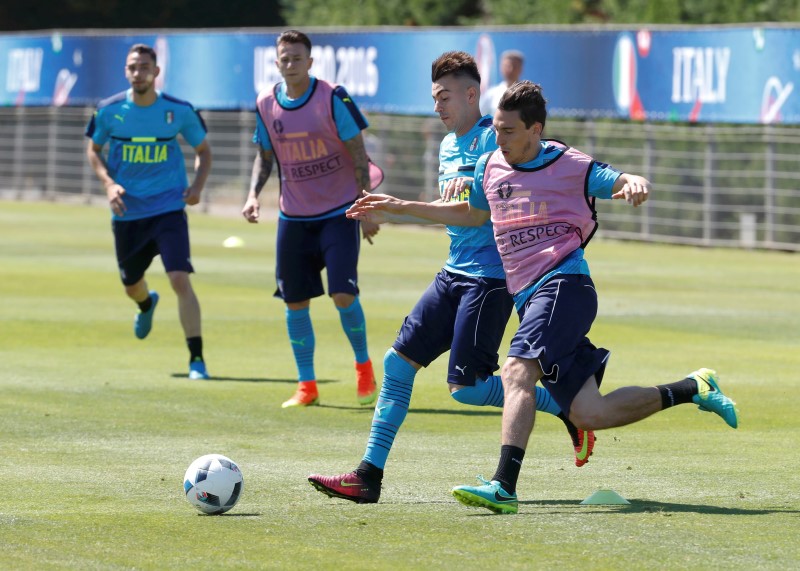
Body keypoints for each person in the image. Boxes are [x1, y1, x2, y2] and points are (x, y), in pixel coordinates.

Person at [347, 81, 739, 514]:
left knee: (517, 371)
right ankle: (694, 387)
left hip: (564, 286)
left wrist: (635, 183)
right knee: (592, 413)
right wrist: (399, 206)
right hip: (529, 297)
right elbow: (473, 213)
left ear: (536, 130)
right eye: (496, 129)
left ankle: (503, 485)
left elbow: (618, 178)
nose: (499, 140)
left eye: (509, 131)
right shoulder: (490, 165)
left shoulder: (568, 163)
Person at [308, 53, 595, 505]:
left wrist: (399, 206)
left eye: (445, 97)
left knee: (467, 389)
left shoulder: (494, 143)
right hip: (453, 272)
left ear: (471, 95)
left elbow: (475, 212)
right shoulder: (446, 146)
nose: (438, 106)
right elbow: (453, 213)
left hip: (491, 280)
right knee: (396, 364)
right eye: (433, 98)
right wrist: (396, 208)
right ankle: (368, 476)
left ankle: (566, 409)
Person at [242, 30, 379, 408]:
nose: (291, 64)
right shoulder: (266, 103)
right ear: (277, 62)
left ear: (310, 62)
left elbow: (357, 152)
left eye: (297, 58)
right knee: (294, 302)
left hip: (339, 212)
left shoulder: (332, 97)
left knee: (342, 294)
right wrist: (254, 195)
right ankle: (307, 385)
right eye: (284, 58)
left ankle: (363, 366)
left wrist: (365, 209)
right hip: (293, 218)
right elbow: (265, 156)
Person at [85, 43, 212, 380]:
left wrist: (197, 186)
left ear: (156, 72)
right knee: (131, 285)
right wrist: (108, 184)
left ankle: (196, 360)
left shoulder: (179, 111)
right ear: (126, 72)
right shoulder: (109, 111)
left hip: (169, 209)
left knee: (179, 278)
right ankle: (145, 304)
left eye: (144, 67)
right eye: (132, 67)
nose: (138, 73)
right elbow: (94, 150)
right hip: (128, 213)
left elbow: (203, 150)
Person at [479, 50, 524, 117]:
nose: (511, 69)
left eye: (515, 66)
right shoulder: (491, 94)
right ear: (501, 67)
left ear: (521, 69)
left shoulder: (528, 94)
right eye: (508, 66)